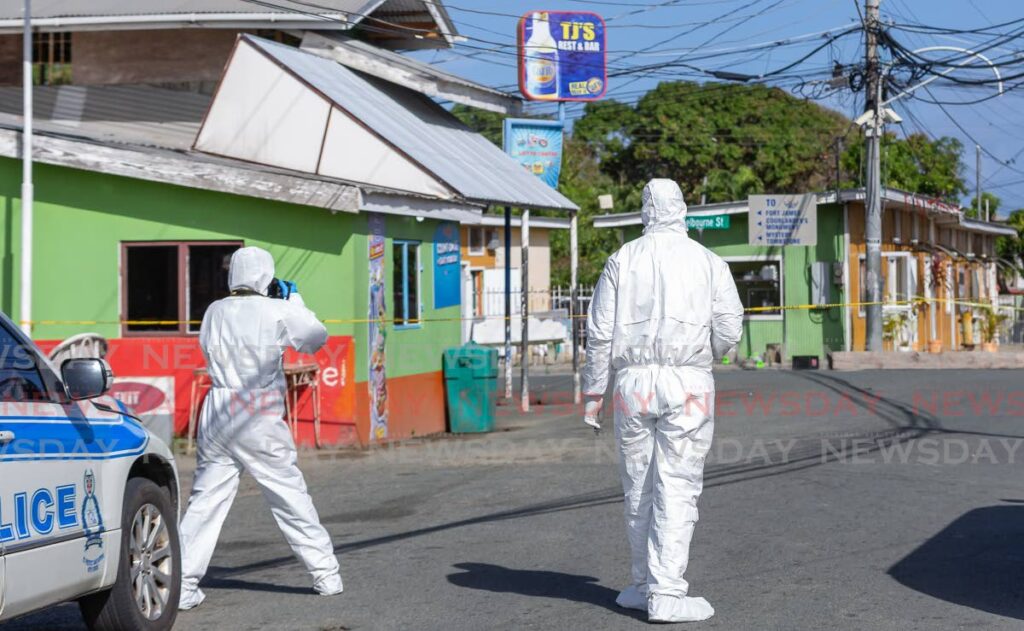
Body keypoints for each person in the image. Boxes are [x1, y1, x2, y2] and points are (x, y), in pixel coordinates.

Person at [583, 179, 743, 623]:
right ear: (683, 209)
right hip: (688, 382)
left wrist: (594, 393)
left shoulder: (622, 258)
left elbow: (599, 333)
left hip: (633, 383)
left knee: (639, 484)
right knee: (678, 483)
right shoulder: (709, 262)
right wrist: (712, 352)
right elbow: (730, 326)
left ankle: (640, 585)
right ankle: (668, 593)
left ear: (646, 210)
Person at [178, 246, 343, 610]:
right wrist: (295, 299)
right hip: (257, 411)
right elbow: (316, 337)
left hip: (218, 408)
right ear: (267, 275)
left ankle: (182, 584)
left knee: (204, 501)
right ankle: (326, 575)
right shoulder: (277, 309)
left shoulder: (214, 311)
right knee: (288, 493)